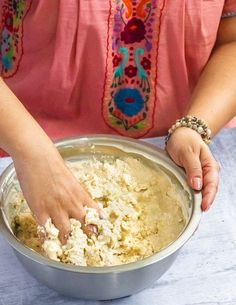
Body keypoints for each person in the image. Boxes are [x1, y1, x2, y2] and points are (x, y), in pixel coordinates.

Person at [0, 0, 236, 242]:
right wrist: (29, 150)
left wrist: (192, 127)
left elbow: (232, 39)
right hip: (19, 146)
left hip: (176, 154)